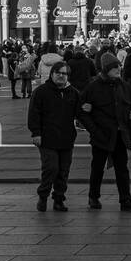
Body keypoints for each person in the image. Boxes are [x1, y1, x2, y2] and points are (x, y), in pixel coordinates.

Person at [78, 52, 131, 210]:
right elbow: (82, 111)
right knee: (97, 167)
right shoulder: (93, 87)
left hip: (120, 134)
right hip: (102, 134)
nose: (118, 69)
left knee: (122, 168)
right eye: (114, 67)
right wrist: (94, 130)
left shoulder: (124, 86)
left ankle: (125, 200)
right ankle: (93, 197)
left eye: (119, 66)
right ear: (106, 69)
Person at [27, 61, 85, 211]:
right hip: (47, 138)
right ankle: (43, 196)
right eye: (58, 72)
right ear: (51, 74)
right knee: (51, 168)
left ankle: (59, 199)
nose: (61, 75)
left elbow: (81, 115)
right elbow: (33, 114)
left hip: (66, 138)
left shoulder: (73, 93)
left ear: (68, 76)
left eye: (64, 73)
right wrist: (36, 133)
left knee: (63, 171)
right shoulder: (41, 92)